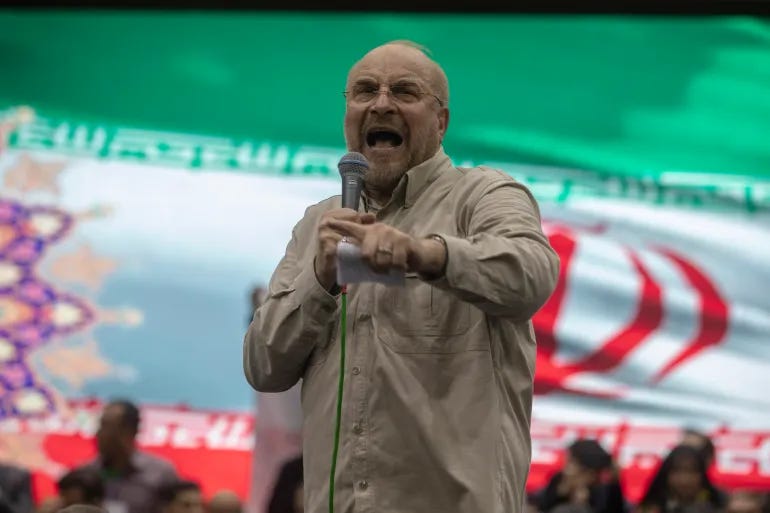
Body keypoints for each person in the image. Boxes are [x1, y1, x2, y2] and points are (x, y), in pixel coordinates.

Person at [243, 40, 560, 513]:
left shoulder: (484, 195)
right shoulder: (317, 225)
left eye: (405, 92)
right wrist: (319, 278)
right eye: (364, 91)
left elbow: (530, 275)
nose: (381, 104)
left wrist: (423, 254)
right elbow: (263, 367)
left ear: (441, 122)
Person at [73, 399, 179, 513]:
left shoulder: (161, 473)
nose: (98, 434)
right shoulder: (85, 473)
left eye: (105, 426)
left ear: (129, 431)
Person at [534, 439, 626, 513]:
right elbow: (542, 504)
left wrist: (580, 503)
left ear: (589, 473)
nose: (566, 470)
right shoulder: (559, 479)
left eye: (571, 463)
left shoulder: (604, 490)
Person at [635, 444, 724, 513]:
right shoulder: (651, 507)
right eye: (677, 471)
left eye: (692, 471)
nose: (684, 479)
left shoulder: (718, 503)